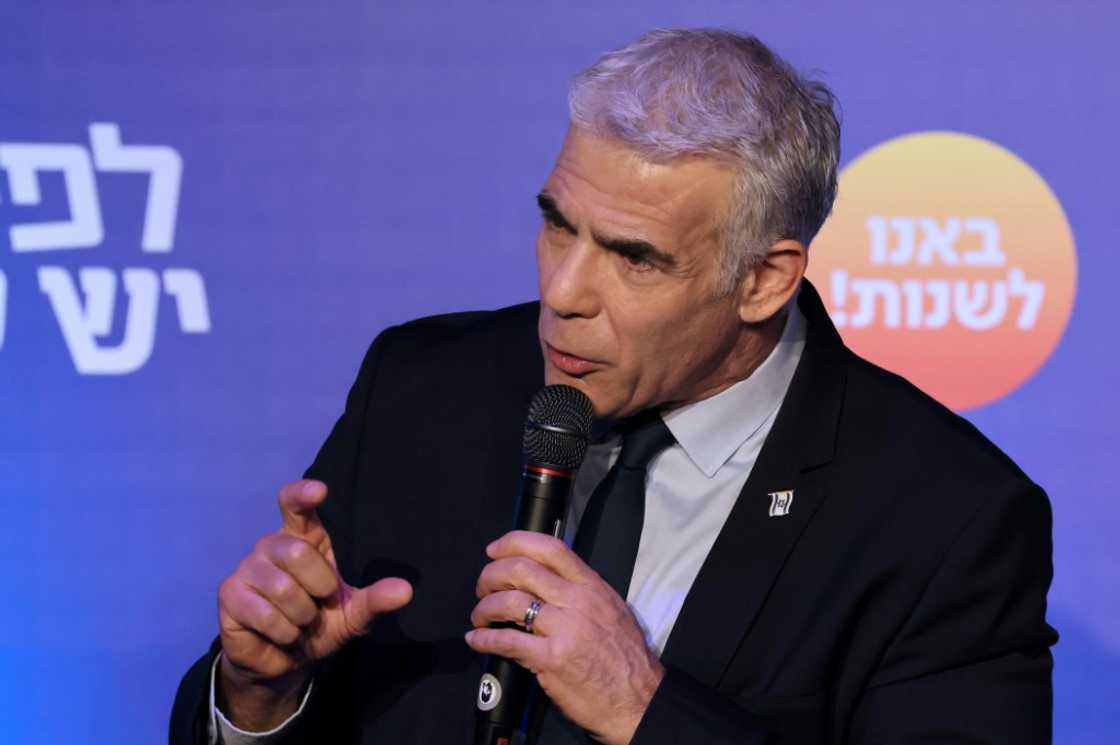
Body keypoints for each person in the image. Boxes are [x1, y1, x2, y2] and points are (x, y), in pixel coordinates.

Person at [171, 28, 1057, 744]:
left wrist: (643, 706)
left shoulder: (949, 517)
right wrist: (260, 697)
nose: (561, 294)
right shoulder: (419, 389)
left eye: (633, 258)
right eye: (560, 227)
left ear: (764, 279)